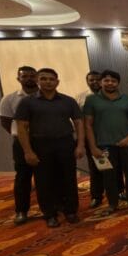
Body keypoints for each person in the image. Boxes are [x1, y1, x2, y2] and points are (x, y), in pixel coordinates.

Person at [15, 68, 85, 227]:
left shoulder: (68, 101)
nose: (48, 82)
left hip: (65, 143)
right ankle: (49, 214)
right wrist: (28, 151)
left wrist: (80, 145)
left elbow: (78, 123)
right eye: (44, 79)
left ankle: (70, 210)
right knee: (44, 181)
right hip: (40, 144)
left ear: (57, 82)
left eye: (51, 79)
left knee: (68, 178)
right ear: (38, 81)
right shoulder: (27, 102)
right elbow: (21, 127)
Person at [84, 69, 128, 215]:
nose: (110, 83)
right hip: (104, 144)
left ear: (118, 83)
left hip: (126, 143)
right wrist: (93, 147)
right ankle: (112, 203)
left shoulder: (127, 100)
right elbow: (88, 125)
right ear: (101, 82)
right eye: (106, 80)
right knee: (109, 176)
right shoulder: (92, 100)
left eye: (113, 81)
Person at [0, 66, 38, 225]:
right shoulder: (9, 99)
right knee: (23, 177)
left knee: (47, 176)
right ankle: (21, 211)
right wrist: (22, 136)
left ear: (37, 78)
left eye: (32, 76)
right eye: (25, 76)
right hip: (21, 143)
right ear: (18, 79)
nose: (29, 79)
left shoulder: (46, 97)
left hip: (44, 142)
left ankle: (52, 207)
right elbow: (6, 122)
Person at [75, 71, 105, 208]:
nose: (94, 82)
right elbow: (77, 121)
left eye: (97, 79)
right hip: (90, 137)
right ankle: (96, 196)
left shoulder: (110, 95)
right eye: (91, 80)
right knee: (95, 167)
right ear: (87, 81)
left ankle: (118, 191)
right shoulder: (80, 98)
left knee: (114, 167)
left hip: (109, 136)